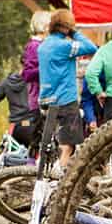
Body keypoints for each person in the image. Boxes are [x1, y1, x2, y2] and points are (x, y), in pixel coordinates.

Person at [36, 9, 97, 175]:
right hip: (65, 101)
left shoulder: (43, 46)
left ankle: (43, 172)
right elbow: (91, 47)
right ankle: (57, 176)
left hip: (46, 101)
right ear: (66, 27)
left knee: (51, 143)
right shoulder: (64, 46)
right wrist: (75, 33)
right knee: (67, 145)